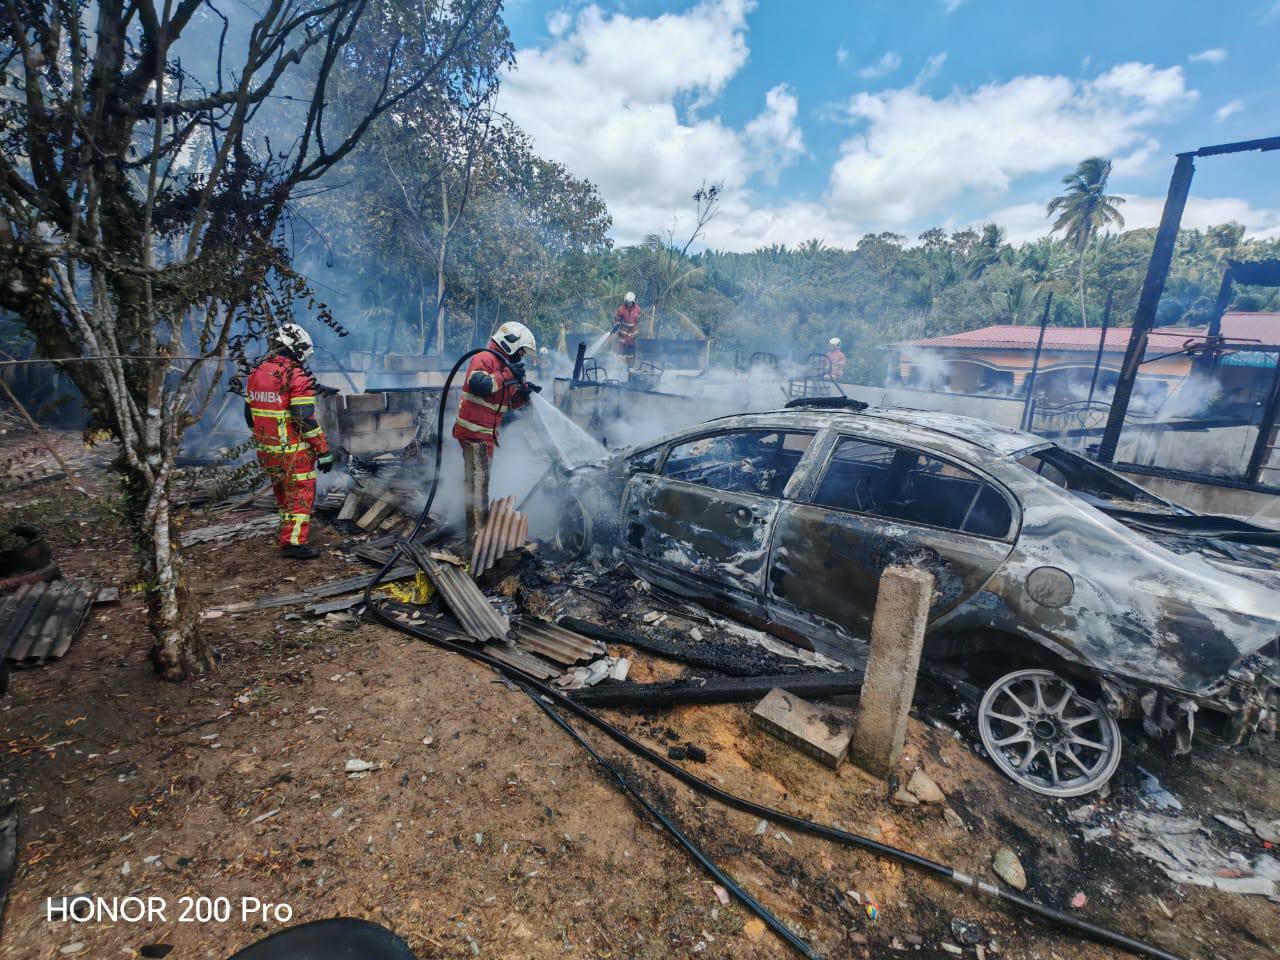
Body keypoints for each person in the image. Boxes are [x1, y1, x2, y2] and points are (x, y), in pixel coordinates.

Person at [244, 324, 334, 559]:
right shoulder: (296, 375)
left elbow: (248, 414)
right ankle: (294, 542)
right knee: (301, 493)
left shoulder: (258, 371)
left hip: (266, 450)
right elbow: (304, 418)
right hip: (293, 451)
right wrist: (323, 450)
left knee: (284, 492)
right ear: (297, 349)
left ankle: (288, 532)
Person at [452, 321, 538, 544]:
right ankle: (476, 536)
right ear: (509, 344)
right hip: (472, 436)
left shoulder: (501, 366)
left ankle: (479, 527)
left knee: (480, 483)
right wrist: (507, 373)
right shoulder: (485, 358)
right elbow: (480, 385)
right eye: (519, 351)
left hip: (485, 437)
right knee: (477, 484)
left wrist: (524, 396)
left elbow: (504, 405)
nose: (520, 356)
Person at [613, 292, 641, 369]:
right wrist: (617, 324)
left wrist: (634, 333)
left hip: (632, 338)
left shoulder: (637, 309)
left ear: (633, 301)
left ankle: (630, 371)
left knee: (631, 355)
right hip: (623, 338)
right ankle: (621, 370)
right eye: (628, 302)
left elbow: (637, 322)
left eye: (631, 302)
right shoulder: (620, 310)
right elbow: (616, 321)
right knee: (621, 356)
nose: (629, 304)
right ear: (625, 301)